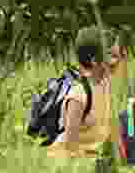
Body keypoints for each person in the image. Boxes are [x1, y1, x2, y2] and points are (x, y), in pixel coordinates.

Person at [47, 26, 112, 158]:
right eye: (110, 55)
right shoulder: (78, 97)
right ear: (94, 61)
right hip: (71, 163)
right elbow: (71, 150)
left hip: (94, 157)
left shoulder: (105, 85)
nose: (114, 60)